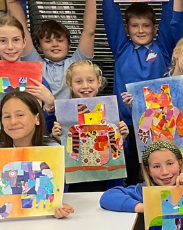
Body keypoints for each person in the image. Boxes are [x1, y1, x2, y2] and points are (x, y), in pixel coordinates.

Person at [100, 0, 183, 181]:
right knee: (130, 178)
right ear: (127, 29)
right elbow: (110, 14)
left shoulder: (163, 46)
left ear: (154, 28)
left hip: (159, 125)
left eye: (146, 26)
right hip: (125, 125)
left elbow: (171, 15)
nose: (141, 30)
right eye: (135, 26)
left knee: (159, 176)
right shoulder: (121, 47)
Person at [0, 90, 74, 224]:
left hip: (43, 223)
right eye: (6, 116)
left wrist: (58, 207)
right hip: (5, 226)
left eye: (20, 115)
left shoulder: (53, 150)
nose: (13, 122)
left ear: (37, 118)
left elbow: (57, 190)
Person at [4, 0, 100, 100]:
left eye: (60, 40)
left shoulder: (77, 64)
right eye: (48, 41)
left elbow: (89, 31)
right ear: (39, 47)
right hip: (43, 119)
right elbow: (22, 30)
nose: (55, 44)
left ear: (69, 44)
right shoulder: (36, 65)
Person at [0, 16, 55, 139]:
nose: (10, 46)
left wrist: (50, 105)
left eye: (16, 40)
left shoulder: (37, 79)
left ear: (24, 42)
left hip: (32, 147)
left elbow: (47, 129)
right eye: (3, 41)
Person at [50, 60, 130, 192]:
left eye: (90, 80)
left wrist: (124, 138)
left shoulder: (111, 110)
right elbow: (59, 155)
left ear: (99, 82)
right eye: (78, 81)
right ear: (69, 84)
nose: (85, 86)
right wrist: (58, 139)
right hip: (75, 184)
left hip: (108, 182)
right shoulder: (63, 115)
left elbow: (123, 156)